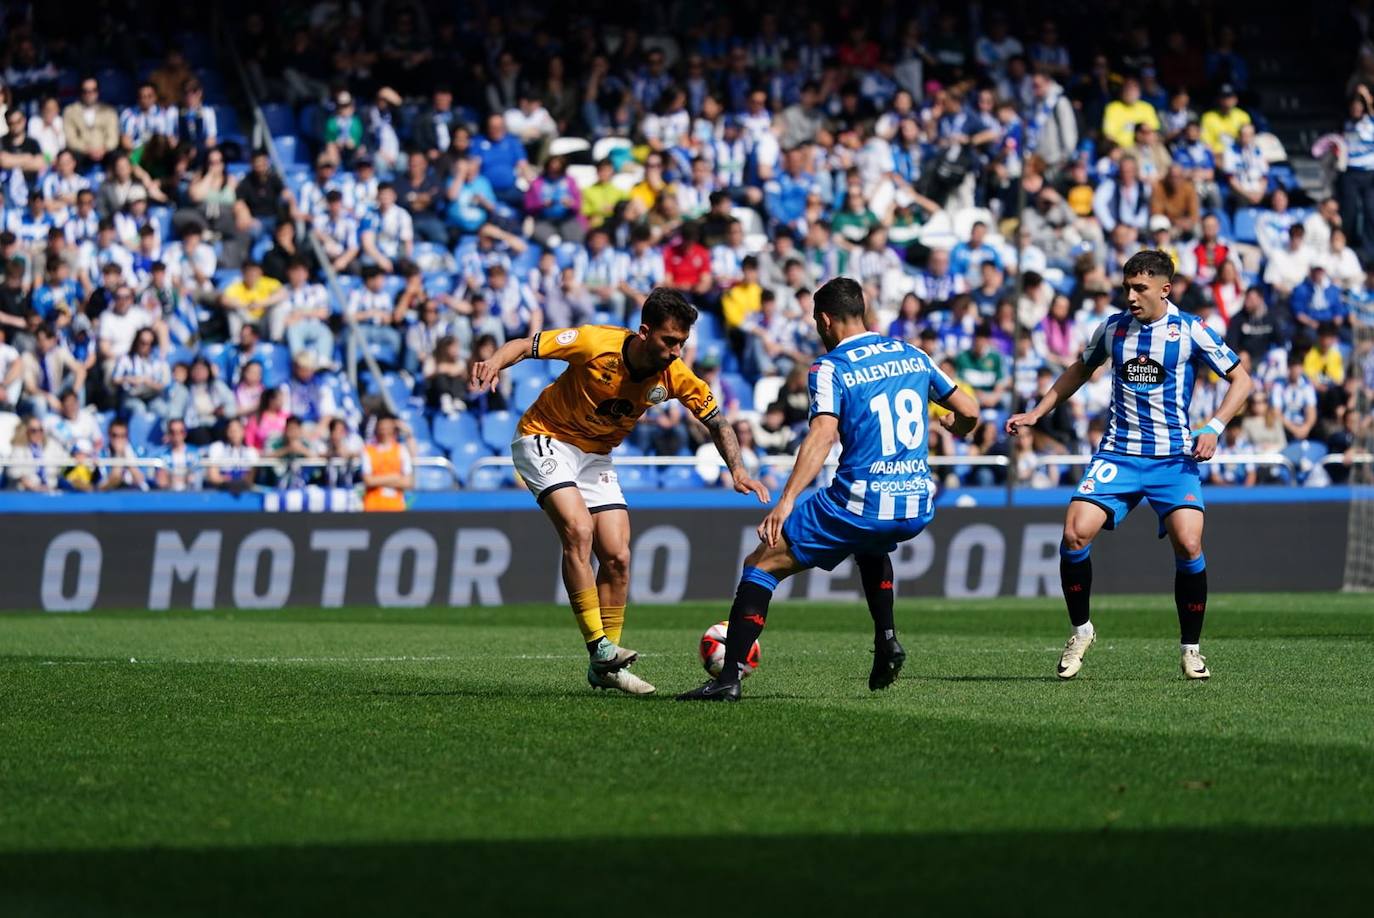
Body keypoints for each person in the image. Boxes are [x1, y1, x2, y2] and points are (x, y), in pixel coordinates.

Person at [677, 277, 981, 702]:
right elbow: (970, 410)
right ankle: (887, 640)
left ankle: (729, 678)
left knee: (760, 564)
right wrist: (954, 425)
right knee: (872, 544)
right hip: (916, 502)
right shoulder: (914, 355)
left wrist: (786, 502)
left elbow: (822, 436)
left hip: (860, 501)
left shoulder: (830, 367)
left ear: (824, 320)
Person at [469, 288, 770, 696]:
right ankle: (601, 647)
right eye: (669, 341)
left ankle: (605, 668)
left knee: (618, 555)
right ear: (645, 332)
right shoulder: (595, 341)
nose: (676, 351)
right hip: (546, 436)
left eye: (682, 342)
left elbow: (717, 422)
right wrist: (493, 363)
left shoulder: (675, 375)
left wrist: (737, 471)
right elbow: (526, 345)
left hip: (595, 457)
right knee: (578, 531)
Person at [1005, 250, 1254, 681]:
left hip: (1173, 458)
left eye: (1140, 288)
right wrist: (1037, 411)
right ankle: (1082, 630)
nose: (1132, 296)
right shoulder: (1114, 328)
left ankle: (1191, 649)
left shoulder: (1191, 331)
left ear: (1164, 288)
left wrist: (1213, 425)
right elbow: (1078, 370)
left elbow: (1242, 379)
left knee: (1189, 543)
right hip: (1117, 454)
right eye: (1127, 288)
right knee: (1073, 532)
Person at [361, 413, 414, 511]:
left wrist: (377, 480)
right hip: (372, 505)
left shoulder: (401, 450)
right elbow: (368, 480)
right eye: (382, 427)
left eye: (387, 427)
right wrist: (394, 477)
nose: (384, 431)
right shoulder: (368, 451)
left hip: (395, 506)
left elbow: (408, 482)